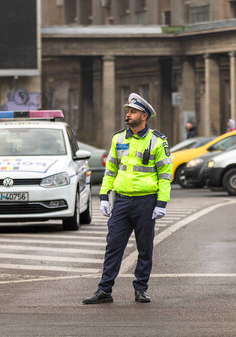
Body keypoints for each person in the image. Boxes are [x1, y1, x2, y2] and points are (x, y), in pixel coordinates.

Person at [83, 93, 172, 304]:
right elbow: (111, 170)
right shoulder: (118, 138)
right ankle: (104, 290)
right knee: (113, 246)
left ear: (144, 115)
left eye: (132, 111)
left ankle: (141, 289)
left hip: (146, 202)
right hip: (121, 201)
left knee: (145, 248)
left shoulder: (157, 141)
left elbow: (166, 175)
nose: (128, 115)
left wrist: (161, 203)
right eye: (127, 111)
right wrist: (104, 196)